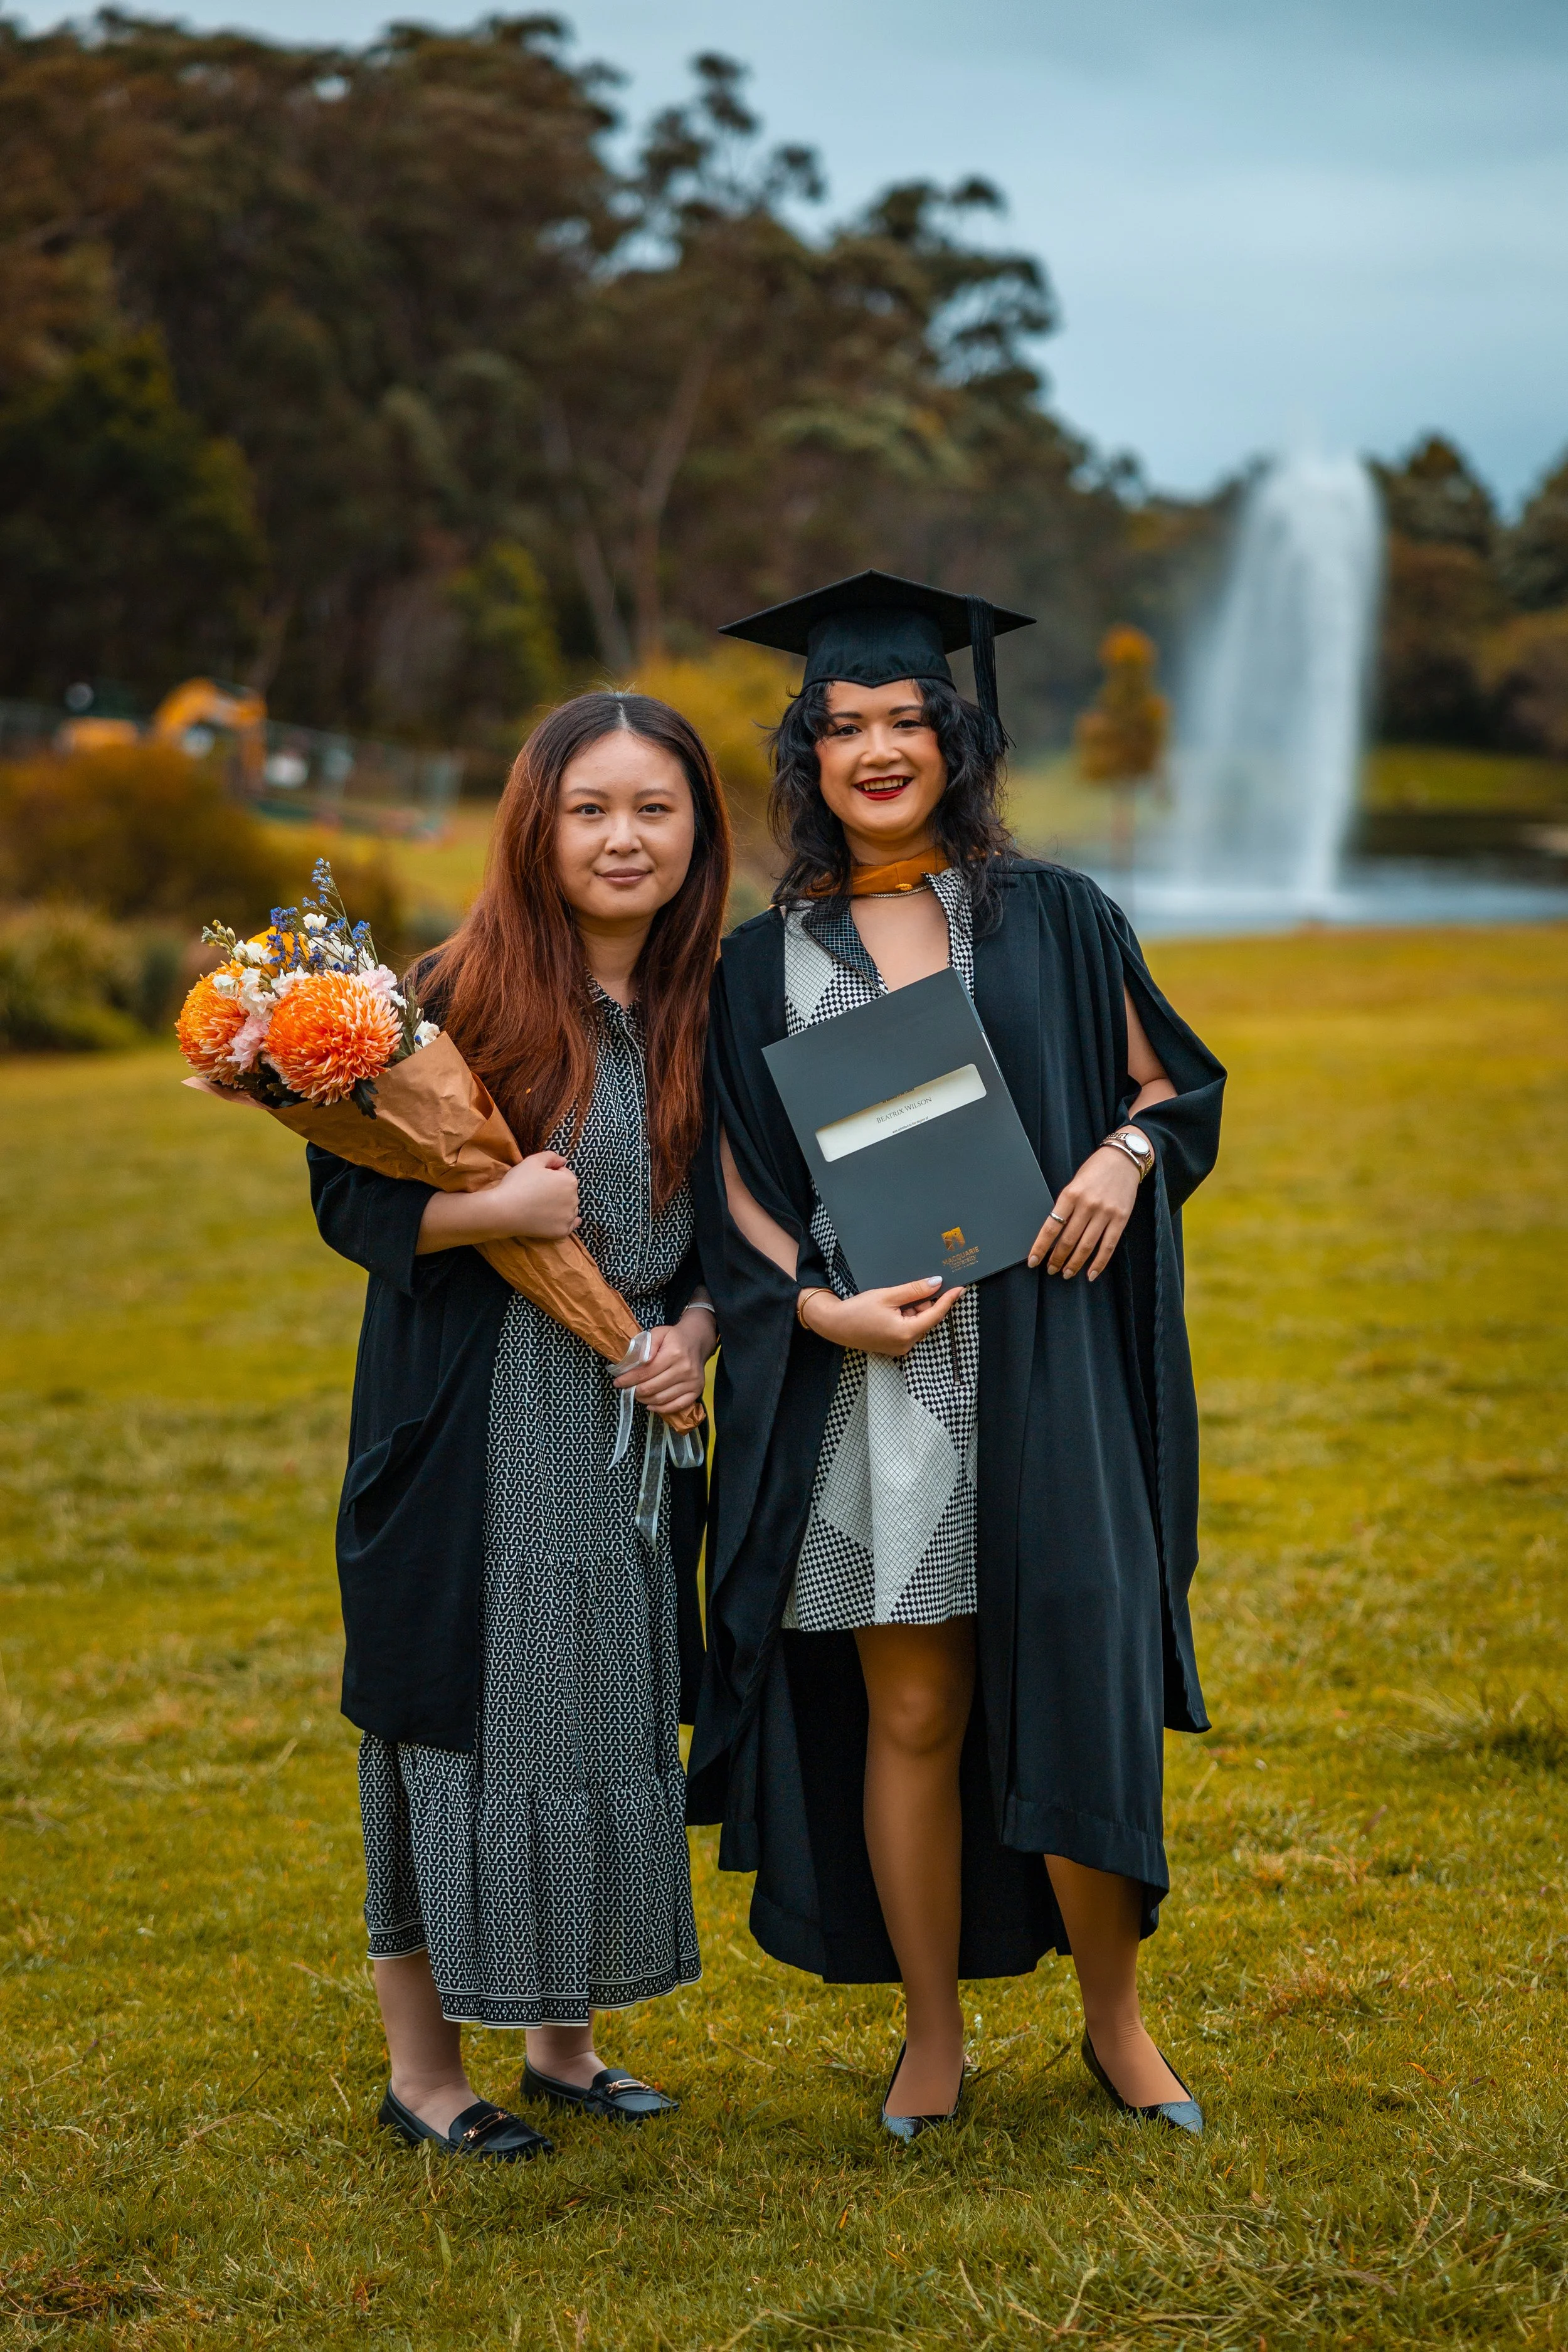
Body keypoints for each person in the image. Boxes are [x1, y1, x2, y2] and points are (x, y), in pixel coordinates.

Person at [689, 571, 1225, 2139]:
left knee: (1070, 1686)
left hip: (1043, 1367)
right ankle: (932, 2037)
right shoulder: (754, 962)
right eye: (842, 725)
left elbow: (1167, 1089)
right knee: (910, 1712)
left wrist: (1122, 1162)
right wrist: (812, 1309)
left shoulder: (1052, 917)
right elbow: (731, 1181)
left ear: (954, 738)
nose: (874, 750)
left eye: (904, 721)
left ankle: (1114, 2025)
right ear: (806, 751)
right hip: (874, 1386)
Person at [310, 691, 730, 2159]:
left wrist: (691, 1334)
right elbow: (346, 1198)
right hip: (470, 1432)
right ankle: (425, 2075)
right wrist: (495, 1207)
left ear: (697, 830)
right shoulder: (450, 995)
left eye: (654, 808)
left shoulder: (710, 1005)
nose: (624, 838)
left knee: (602, 1708)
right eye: (590, 809)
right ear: (535, 827)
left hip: (622, 1431)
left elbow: (740, 1233)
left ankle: (565, 2044)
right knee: (457, 1726)